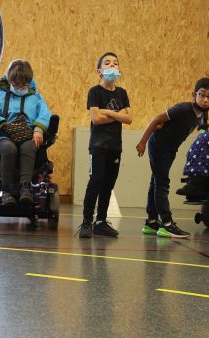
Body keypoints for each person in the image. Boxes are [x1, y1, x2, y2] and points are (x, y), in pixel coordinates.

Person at [136, 77, 209, 238]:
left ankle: (151, 222)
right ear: (193, 94)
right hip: (158, 146)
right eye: (202, 95)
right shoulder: (182, 109)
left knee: (156, 182)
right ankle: (166, 223)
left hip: (170, 149)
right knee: (162, 183)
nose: (205, 99)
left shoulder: (203, 114)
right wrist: (142, 142)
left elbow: (202, 130)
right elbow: (156, 120)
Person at [0, 59, 52, 207]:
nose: (20, 88)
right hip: (4, 134)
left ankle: (25, 188)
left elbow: (44, 114)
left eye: (24, 85)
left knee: (30, 147)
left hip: (28, 134)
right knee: (8, 148)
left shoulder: (35, 96)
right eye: (16, 85)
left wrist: (39, 129)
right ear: (10, 80)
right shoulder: (1, 93)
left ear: (29, 82)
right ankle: (6, 191)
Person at [80, 52, 132, 238]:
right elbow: (96, 118)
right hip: (98, 146)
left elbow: (129, 118)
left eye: (115, 64)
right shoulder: (94, 92)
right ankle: (87, 222)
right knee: (96, 181)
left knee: (108, 184)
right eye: (108, 63)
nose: (112, 66)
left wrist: (107, 112)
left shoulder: (122, 93)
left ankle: (101, 221)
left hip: (114, 147)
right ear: (99, 71)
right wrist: (117, 114)